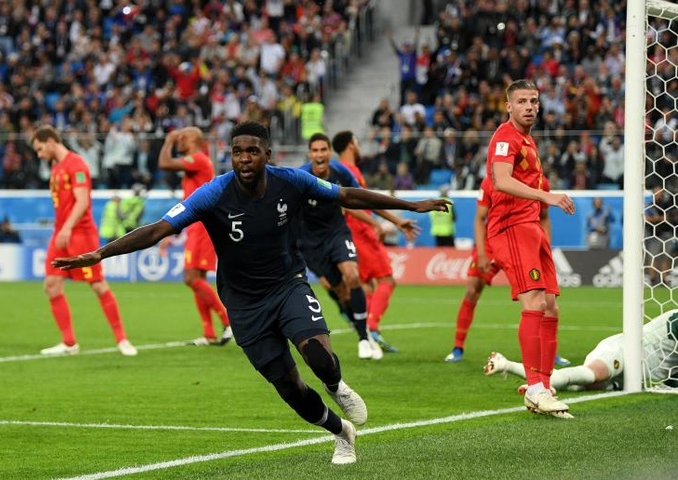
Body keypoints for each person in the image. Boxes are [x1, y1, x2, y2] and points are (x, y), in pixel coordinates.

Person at [53, 121, 450, 464]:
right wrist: (101, 252)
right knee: (290, 388)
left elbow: (345, 195)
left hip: (288, 284)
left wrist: (410, 206)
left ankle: (336, 386)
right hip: (243, 303)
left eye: (252, 152)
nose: (244, 158)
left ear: (267, 154)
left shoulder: (290, 180)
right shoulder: (213, 194)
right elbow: (159, 229)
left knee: (318, 353)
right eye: (237, 152)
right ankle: (341, 432)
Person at [485, 79, 577, 419]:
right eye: (522, 101)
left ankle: (545, 386)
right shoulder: (505, 137)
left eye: (534, 101)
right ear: (508, 106)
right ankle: (535, 389)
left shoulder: (527, 140)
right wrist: (546, 196)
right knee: (535, 301)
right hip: (511, 228)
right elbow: (501, 179)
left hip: (532, 228)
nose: (529, 106)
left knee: (551, 307)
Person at [444, 175, 570, 368]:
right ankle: (457, 348)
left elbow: (544, 218)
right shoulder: (492, 180)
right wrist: (482, 253)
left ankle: (549, 354)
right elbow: (479, 218)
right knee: (472, 291)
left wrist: (545, 248)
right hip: (494, 242)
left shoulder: (540, 181)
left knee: (544, 300)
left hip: (525, 243)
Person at [31, 125, 137, 357]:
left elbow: (81, 201)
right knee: (51, 284)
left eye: (39, 149)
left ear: (50, 141)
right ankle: (69, 343)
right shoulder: (56, 166)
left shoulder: (76, 163)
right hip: (61, 233)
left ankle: (122, 339)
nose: (39, 154)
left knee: (98, 285)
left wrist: (67, 227)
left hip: (79, 233)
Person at [332, 130, 418, 353]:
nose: (359, 146)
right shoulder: (347, 171)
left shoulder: (347, 170)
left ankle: (365, 330)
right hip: (360, 233)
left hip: (355, 233)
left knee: (368, 285)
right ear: (351, 145)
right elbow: (349, 205)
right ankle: (371, 328)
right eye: (358, 141)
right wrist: (376, 224)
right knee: (387, 280)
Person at [299, 133, 380, 361]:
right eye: (315, 150)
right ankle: (361, 329)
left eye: (323, 149)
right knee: (342, 293)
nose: (319, 154)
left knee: (353, 276)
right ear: (309, 153)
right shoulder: (301, 176)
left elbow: (359, 199)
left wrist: (382, 222)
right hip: (310, 244)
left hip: (337, 233)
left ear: (329, 152)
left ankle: (364, 338)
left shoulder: (341, 173)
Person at [157, 126, 232, 345]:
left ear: (192, 140)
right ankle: (208, 333)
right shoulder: (197, 163)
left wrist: (168, 141)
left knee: (190, 278)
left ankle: (228, 320)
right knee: (197, 279)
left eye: (182, 137)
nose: (178, 140)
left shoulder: (198, 158)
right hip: (196, 225)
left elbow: (164, 164)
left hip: (202, 226)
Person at [485, 309, 678, 392]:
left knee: (578, 386)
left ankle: (515, 370)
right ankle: (536, 386)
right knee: (591, 374)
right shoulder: (676, 320)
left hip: (633, 377)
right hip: (622, 351)